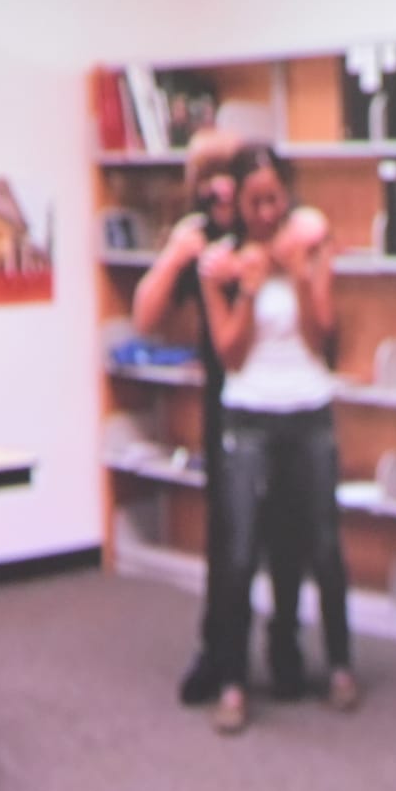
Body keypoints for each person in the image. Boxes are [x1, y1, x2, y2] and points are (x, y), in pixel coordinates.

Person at [133, 130, 309, 706]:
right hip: (228, 406)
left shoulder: (276, 223)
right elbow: (144, 317)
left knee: (286, 530)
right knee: (229, 540)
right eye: (207, 182)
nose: (219, 192)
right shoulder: (201, 237)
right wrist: (175, 255)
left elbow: (313, 232)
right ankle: (219, 653)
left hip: (287, 396)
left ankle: (285, 648)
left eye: (225, 179)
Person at [197, 144, 358, 735]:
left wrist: (299, 274)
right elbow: (230, 353)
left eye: (274, 199)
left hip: (309, 412)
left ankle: (340, 667)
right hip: (249, 417)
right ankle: (233, 683)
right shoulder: (220, 265)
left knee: (324, 546)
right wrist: (247, 288)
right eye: (254, 202)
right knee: (240, 554)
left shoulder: (309, 246)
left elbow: (323, 337)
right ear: (238, 205)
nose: (266, 212)